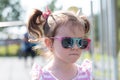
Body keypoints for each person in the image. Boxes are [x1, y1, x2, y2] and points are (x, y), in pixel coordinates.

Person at [28, 8, 92, 80]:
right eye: (68, 41)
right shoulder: (41, 77)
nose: (76, 47)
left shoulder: (87, 75)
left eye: (80, 42)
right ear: (49, 43)